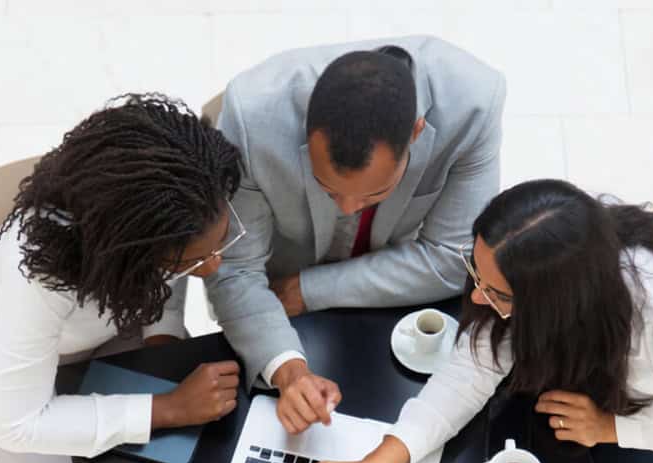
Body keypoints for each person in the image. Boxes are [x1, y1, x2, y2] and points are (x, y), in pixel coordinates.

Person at [0, 94, 243, 463]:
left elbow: (164, 274)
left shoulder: (160, 209)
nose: (213, 269)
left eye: (217, 244)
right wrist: (167, 408)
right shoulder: (38, 277)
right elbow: (17, 423)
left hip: (99, 327)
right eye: (196, 260)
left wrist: (162, 338)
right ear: (130, 249)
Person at [294, 179, 653, 463]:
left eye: (497, 293)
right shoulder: (539, 245)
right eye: (476, 272)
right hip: (591, 373)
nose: (478, 297)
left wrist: (613, 428)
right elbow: (471, 370)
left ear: (553, 304)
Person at [196, 36, 505, 436]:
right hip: (277, 294)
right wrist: (289, 371)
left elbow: (455, 258)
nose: (346, 207)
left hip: (390, 299)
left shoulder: (474, 103)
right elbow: (235, 268)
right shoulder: (251, 114)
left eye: (374, 193)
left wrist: (309, 289)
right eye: (328, 188)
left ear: (415, 132)